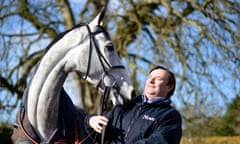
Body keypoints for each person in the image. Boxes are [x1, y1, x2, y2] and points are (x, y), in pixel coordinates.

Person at [84, 66, 182, 144]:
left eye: (158, 79)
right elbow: (98, 135)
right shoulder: (124, 106)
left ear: (169, 86)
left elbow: (160, 141)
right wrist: (91, 121)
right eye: (150, 77)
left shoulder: (170, 116)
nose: (151, 81)